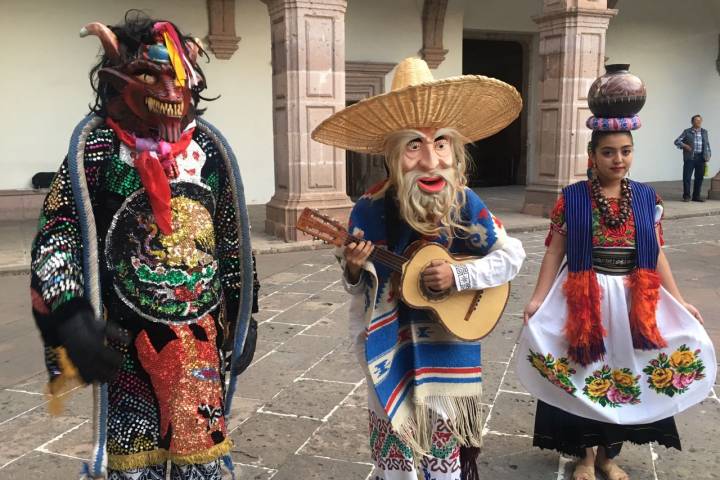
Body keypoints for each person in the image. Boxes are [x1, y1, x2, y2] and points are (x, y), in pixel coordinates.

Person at [29, 12, 258, 480]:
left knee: (203, 462)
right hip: (126, 338)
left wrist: (244, 315)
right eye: (148, 74)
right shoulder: (94, 152)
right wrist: (70, 314)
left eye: (174, 74)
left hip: (198, 341)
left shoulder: (210, 153)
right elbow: (59, 232)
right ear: (117, 79)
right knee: (133, 464)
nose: (166, 87)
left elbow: (233, 239)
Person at [311, 57, 527, 480]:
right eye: (415, 146)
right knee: (396, 457)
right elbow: (356, 288)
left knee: (442, 457)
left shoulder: (464, 203)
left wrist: (459, 277)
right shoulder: (369, 210)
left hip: (447, 349)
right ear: (393, 155)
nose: (431, 161)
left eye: (441, 143)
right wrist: (355, 270)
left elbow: (511, 257)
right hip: (390, 344)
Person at [518, 68, 716, 480]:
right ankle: (586, 457)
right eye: (609, 152)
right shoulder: (571, 198)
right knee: (585, 372)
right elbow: (555, 251)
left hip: (631, 300)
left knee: (628, 373)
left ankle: (609, 455)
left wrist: (679, 301)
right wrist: (538, 299)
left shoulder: (647, 197)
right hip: (584, 297)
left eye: (626, 151)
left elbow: (657, 255)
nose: (618, 160)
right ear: (592, 156)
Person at [674, 115, 711, 202]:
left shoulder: (704, 132)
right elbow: (677, 141)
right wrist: (685, 145)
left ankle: (696, 196)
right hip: (690, 158)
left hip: (701, 158)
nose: (698, 122)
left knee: (699, 178)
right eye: (696, 120)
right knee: (687, 177)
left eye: (700, 120)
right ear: (692, 122)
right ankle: (686, 196)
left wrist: (708, 154)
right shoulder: (687, 132)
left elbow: (707, 144)